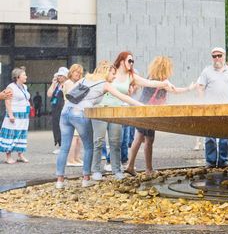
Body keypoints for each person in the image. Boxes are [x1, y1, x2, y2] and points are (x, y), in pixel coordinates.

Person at [55, 60, 143, 189]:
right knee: (89, 147)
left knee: (64, 148)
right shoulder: (104, 84)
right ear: (107, 72)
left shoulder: (85, 79)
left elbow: (71, 93)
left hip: (65, 113)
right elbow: (123, 97)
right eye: (113, 74)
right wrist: (142, 105)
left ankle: (59, 181)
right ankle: (86, 179)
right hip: (79, 114)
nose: (114, 77)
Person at [92, 51, 174, 180]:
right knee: (98, 142)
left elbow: (149, 82)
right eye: (129, 60)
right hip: (101, 109)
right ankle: (96, 170)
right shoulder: (111, 72)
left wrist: (164, 83)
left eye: (133, 61)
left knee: (116, 142)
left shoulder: (131, 76)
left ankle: (117, 170)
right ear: (121, 61)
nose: (131, 63)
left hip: (117, 111)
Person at [125, 57, 194, 176]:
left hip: (141, 110)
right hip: (149, 113)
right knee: (149, 140)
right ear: (165, 68)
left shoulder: (150, 78)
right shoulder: (162, 82)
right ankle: (148, 169)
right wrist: (189, 88)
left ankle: (130, 166)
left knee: (138, 138)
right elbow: (175, 90)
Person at [197, 46, 228, 167]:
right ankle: (210, 161)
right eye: (214, 56)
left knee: (225, 135)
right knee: (210, 135)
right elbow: (200, 87)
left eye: (219, 55)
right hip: (210, 107)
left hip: (227, 107)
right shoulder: (206, 71)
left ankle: (223, 160)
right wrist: (202, 103)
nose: (217, 58)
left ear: (224, 56)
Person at [1, 68, 31, 164]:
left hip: (24, 115)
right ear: (18, 77)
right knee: (11, 134)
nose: (26, 77)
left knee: (22, 133)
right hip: (15, 113)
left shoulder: (25, 87)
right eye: (24, 75)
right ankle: (8, 156)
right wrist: (10, 115)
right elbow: (7, 100)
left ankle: (20, 154)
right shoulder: (11, 87)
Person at [47, 67, 69, 154]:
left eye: (61, 76)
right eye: (58, 76)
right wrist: (53, 83)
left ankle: (64, 146)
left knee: (63, 127)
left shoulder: (67, 84)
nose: (59, 77)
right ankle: (59, 144)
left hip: (63, 108)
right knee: (56, 126)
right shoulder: (57, 85)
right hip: (55, 108)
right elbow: (49, 94)